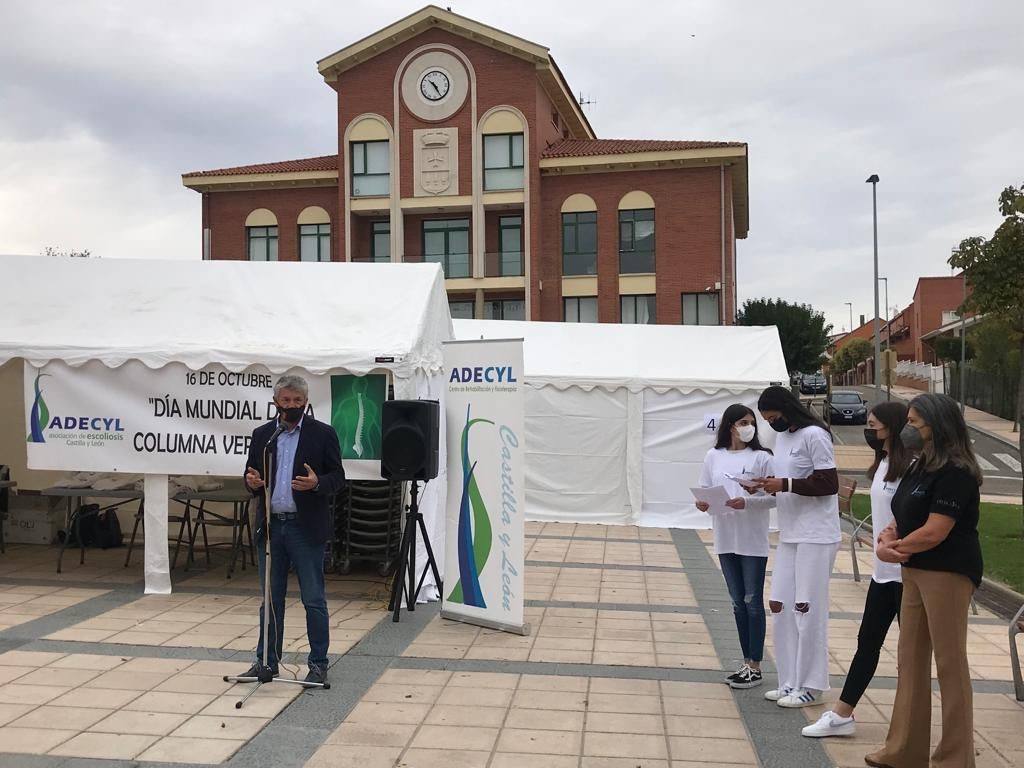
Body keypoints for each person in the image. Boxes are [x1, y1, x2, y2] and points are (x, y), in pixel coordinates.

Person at [865, 393, 983, 768]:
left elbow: (935, 530)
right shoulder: (920, 466)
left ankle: (954, 757)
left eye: (915, 422)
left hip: (947, 573)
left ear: (938, 425)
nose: (908, 429)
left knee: (949, 664)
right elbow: (903, 512)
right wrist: (887, 538)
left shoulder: (957, 472)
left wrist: (893, 548)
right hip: (913, 570)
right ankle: (904, 750)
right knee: (910, 660)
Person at [802, 401, 911, 737]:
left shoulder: (913, 467)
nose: (869, 429)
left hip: (909, 577)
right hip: (883, 574)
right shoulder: (882, 464)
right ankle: (842, 715)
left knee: (912, 654)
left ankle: (909, 725)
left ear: (892, 426)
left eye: (873, 423)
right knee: (867, 643)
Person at [239, 374, 346, 685]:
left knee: (313, 598)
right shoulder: (263, 435)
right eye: (286, 401)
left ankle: (318, 663)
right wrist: (252, 483)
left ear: (306, 403)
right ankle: (267, 662)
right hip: (272, 528)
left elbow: (338, 477)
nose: (292, 406)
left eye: (297, 402)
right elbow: (250, 474)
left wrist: (318, 484)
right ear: (276, 403)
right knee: (270, 599)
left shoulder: (322, 434)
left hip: (304, 528)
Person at [753, 385, 841, 708]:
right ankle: (790, 679)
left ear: (787, 408)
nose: (771, 423)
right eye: (767, 419)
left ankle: (812, 684)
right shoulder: (784, 438)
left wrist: (785, 484)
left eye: (773, 417)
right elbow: (784, 482)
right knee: (780, 605)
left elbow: (828, 483)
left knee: (808, 608)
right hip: (790, 533)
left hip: (816, 535)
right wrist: (764, 487)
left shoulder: (815, 435)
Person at [695, 404, 776, 689]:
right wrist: (703, 503)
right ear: (730, 425)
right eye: (743, 421)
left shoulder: (762, 457)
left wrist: (748, 501)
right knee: (736, 602)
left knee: (753, 602)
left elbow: (774, 497)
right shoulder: (713, 456)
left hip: (752, 539)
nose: (748, 426)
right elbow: (705, 489)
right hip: (726, 537)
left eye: (751, 422)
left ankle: (756, 664)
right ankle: (745, 661)